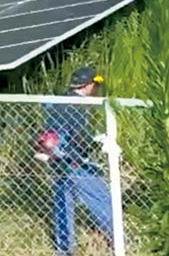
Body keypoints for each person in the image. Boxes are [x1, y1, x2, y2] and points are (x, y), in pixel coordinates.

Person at [37, 67, 114, 256]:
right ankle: (118, 239)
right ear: (88, 85)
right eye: (94, 85)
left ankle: (64, 249)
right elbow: (80, 138)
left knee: (64, 204)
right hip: (76, 163)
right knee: (102, 199)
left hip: (57, 162)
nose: (95, 89)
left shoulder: (57, 102)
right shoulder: (78, 105)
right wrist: (97, 143)